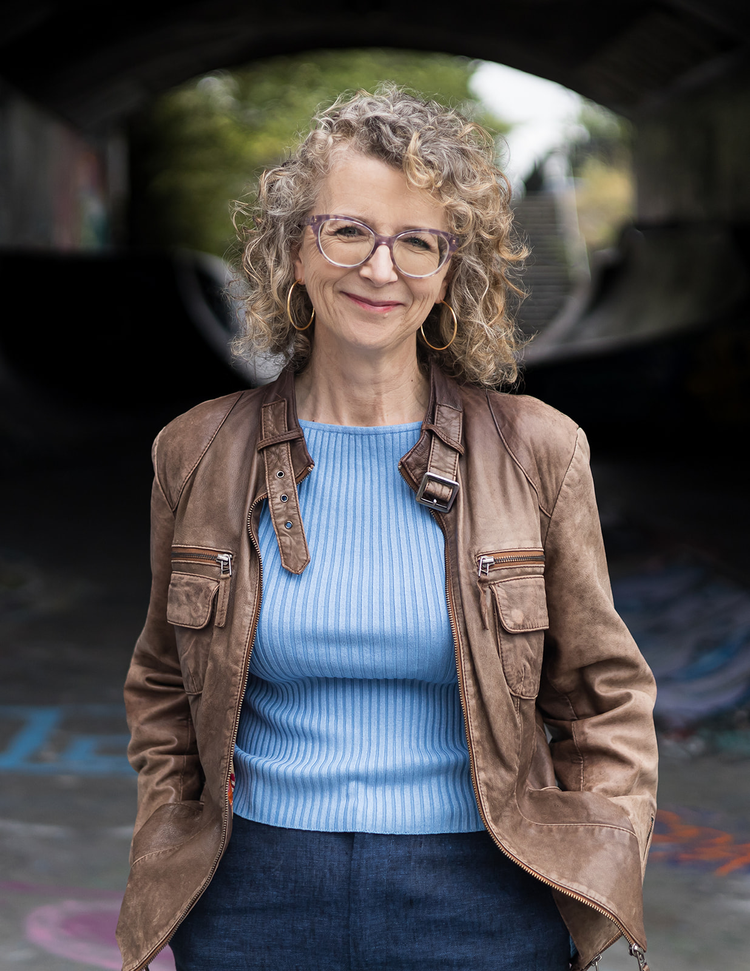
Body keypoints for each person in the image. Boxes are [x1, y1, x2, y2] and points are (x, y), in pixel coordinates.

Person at [116, 86, 658, 971]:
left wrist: (601, 857)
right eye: (349, 231)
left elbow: (606, 694)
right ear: (294, 248)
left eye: (418, 241)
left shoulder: (537, 452)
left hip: (488, 894)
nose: (381, 268)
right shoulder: (198, 450)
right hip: (251, 892)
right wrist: (168, 839)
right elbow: (161, 687)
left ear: (451, 272)